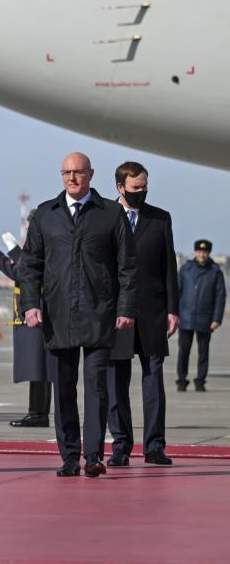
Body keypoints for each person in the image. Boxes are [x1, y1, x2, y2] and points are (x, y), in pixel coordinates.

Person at [19, 152, 137, 478]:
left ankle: (95, 454)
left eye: (78, 172)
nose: (72, 178)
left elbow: (127, 266)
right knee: (65, 389)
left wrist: (126, 309)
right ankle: (70, 456)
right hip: (57, 316)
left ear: (91, 175)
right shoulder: (45, 214)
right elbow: (29, 266)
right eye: (66, 172)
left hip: (100, 314)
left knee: (97, 387)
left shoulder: (111, 213)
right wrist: (30, 305)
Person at [106, 162, 178, 467]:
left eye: (145, 186)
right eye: (136, 188)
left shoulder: (160, 219)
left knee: (153, 380)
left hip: (153, 311)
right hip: (116, 313)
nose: (142, 192)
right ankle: (121, 445)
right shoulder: (104, 216)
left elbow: (168, 268)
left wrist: (173, 309)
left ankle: (154, 446)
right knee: (116, 383)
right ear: (120, 187)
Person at [0, 227, 52, 427]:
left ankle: (38, 414)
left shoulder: (48, 248)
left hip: (39, 314)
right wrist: (14, 252)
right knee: (40, 370)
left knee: (40, 368)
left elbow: (23, 273)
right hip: (37, 314)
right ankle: (38, 413)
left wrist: (1, 254)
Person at [176, 239, 226, 392]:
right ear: (195, 252)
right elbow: (177, 292)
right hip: (186, 317)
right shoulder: (185, 269)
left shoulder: (215, 271)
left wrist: (217, 318)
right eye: (199, 251)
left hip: (206, 318)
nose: (202, 254)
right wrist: (174, 314)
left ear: (208, 253)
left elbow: (220, 296)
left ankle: (200, 381)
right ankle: (182, 380)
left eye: (205, 252)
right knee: (184, 350)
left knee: (203, 352)